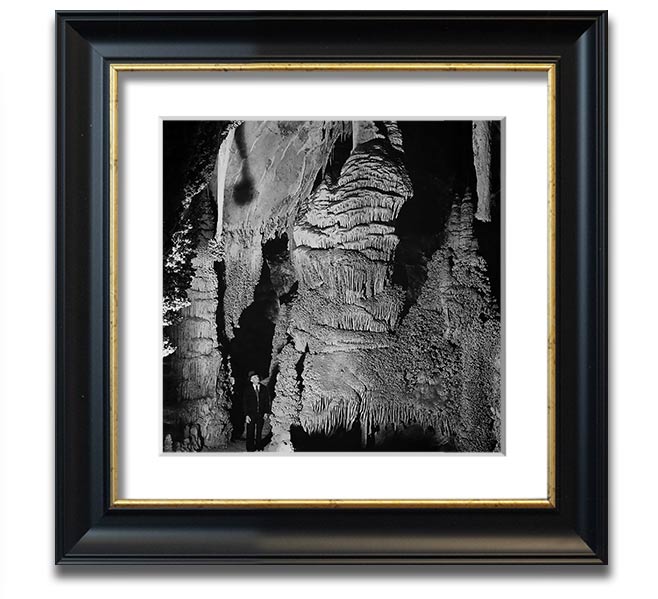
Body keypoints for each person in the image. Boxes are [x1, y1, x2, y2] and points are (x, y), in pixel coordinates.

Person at [243, 371, 271, 452]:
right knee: (250, 431)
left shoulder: (264, 388)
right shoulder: (247, 389)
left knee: (259, 431)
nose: (257, 378)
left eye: (257, 376)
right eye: (255, 377)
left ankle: (259, 446)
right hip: (251, 414)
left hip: (261, 413)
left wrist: (266, 412)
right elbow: (245, 403)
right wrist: (246, 415)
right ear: (251, 380)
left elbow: (267, 401)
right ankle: (250, 448)